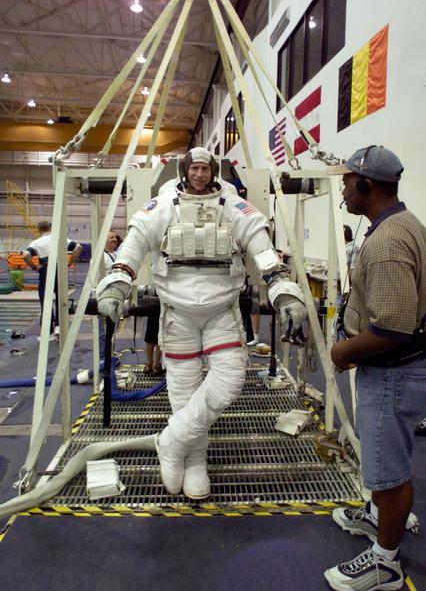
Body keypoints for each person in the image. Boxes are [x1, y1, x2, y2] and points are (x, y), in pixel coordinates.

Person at [96, 147, 307, 500]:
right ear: (184, 171)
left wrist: (283, 290)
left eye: (204, 169)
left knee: (229, 380)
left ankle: (170, 442)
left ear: (213, 172)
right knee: (183, 392)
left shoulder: (233, 204)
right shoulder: (165, 203)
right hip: (177, 311)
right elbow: (134, 243)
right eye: (193, 168)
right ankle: (195, 463)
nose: (198, 174)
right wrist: (117, 283)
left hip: (221, 309)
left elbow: (261, 246)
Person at [324, 145, 426, 591]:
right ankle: (376, 515)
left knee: (388, 468)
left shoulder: (386, 243)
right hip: (396, 370)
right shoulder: (402, 225)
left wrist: (343, 353)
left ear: (366, 185)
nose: (343, 190)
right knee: (386, 459)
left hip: (390, 372)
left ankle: (385, 563)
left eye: (347, 181)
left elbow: (393, 329)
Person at [23, 221, 82, 341]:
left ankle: (47, 331)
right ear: (50, 227)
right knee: (61, 299)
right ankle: (60, 327)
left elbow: (25, 255)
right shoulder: (59, 239)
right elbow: (78, 247)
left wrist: (34, 267)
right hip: (60, 269)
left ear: (39, 230)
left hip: (45, 270)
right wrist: (70, 262)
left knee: (46, 301)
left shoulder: (36, 243)